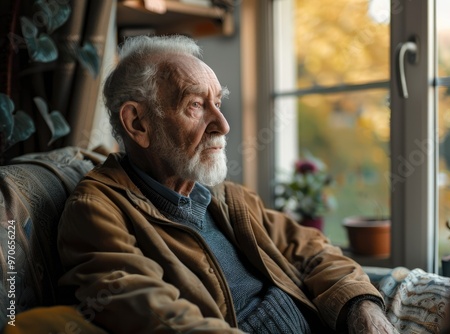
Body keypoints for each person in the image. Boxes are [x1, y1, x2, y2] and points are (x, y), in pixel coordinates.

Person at [57, 34, 397, 333]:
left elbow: (311, 249)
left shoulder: (224, 196)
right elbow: (156, 317)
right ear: (137, 123)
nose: (222, 124)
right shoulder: (97, 211)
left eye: (217, 103)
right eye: (195, 105)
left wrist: (360, 306)